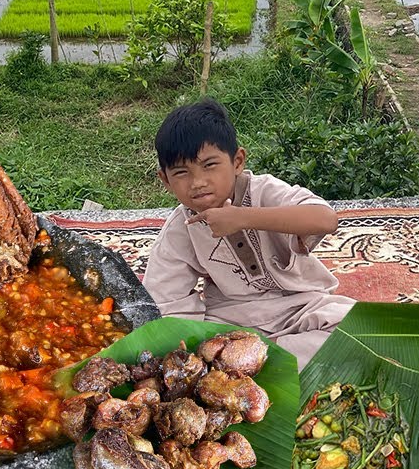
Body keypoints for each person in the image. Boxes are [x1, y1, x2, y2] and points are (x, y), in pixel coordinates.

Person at [143, 98, 355, 369]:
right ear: (165, 180)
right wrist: (194, 352)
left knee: (359, 332)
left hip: (301, 306)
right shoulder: (180, 229)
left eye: (210, 165)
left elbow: (325, 219)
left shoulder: (264, 191)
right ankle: (258, 363)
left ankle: (262, 360)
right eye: (182, 173)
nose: (198, 183)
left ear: (237, 161)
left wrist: (242, 218)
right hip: (232, 324)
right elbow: (167, 301)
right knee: (182, 352)